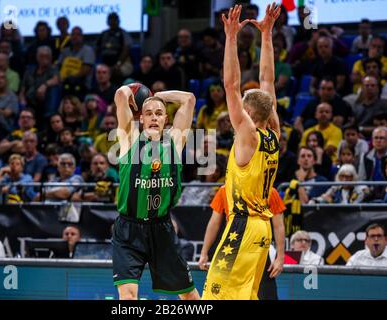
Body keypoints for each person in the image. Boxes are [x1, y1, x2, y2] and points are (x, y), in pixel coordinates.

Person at [202, 4, 281, 300]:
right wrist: (267, 34)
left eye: (242, 105)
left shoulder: (247, 134)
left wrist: (231, 36)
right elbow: (268, 83)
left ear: (247, 112)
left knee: (214, 295)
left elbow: (231, 85)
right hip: (261, 230)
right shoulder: (274, 133)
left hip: (242, 225)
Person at [112, 84, 198, 298]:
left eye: (159, 114)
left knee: (188, 295)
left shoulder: (175, 143)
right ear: (140, 118)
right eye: (148, 113)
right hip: (128, 229)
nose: (153, 117)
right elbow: (121, 95)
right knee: (129, 295)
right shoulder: (129, 140)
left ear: (165, 120)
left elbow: (188, 99)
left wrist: (159, 96)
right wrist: (136, 92)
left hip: (162, 229)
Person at [199, 186, 286, 300]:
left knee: (265, 294)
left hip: (259, 252)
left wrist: (280, 257)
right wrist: (204, 252)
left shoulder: (269, 191)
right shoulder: (225, 190)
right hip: (232, 250)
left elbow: (278, 225)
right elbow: (214, 223)